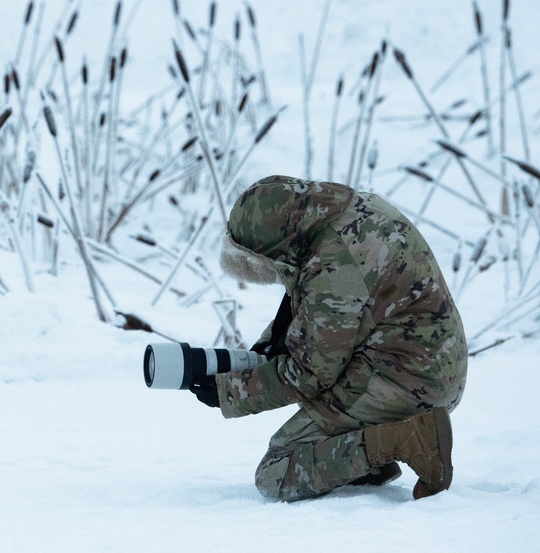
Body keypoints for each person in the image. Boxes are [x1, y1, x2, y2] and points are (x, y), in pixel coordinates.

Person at [191, 175, 467, 501]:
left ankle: (405, 440)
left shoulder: (335, 264)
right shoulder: (351, 213)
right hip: (425, 363)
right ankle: (368, 456)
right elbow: (324, 311)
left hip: (406, 380)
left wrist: (230, 391)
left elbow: (310, 373)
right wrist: (271, 343)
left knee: (277, 472)